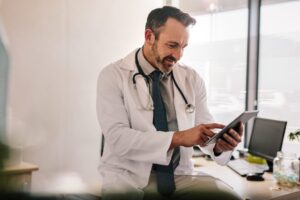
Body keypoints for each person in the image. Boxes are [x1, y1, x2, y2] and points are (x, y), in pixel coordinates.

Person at [96, 6, 243, 200]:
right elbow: (118, 139)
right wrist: (180, 138)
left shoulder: (191, 78)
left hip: (178, 177)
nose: (178, 55)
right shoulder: (113, 76)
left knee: (230, 197)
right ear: (149, 36)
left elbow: (204, 129)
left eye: (183, 47)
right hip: (127, 179)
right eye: (172, 45)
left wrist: (219, 145)